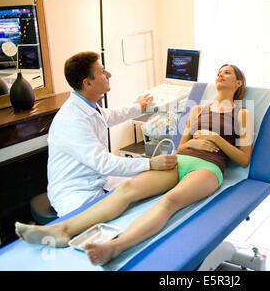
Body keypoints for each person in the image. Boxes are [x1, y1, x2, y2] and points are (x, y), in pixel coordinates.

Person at [15, 64, 254, 266]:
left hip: (207, 168)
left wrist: (214, 139)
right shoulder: (198, 109)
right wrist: (193, 143)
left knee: (168, 202)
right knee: (126, 189)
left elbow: (243, 159)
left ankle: (116, 246)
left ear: (238, 84)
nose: (221, 75)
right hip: (180, 160)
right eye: (219, 72)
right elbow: (180, 147)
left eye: (228, 73)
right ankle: (62, 230)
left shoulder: (243, 114)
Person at [46, 51, 177, 216]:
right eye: (102, 72)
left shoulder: (88, 105)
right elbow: (105, 163)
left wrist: (138, 107)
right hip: (76, 193)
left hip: (98, 179)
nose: (109, 74)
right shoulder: (72, 120)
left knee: (147, 191)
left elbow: (109, 115)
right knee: (130, 213)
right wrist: (150, 163)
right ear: (88, 84)